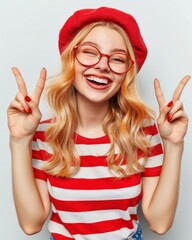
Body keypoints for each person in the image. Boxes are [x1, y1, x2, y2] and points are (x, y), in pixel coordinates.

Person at [7, 6, 190, 240]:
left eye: (117, 58)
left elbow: (160, 223)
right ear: (71, 58)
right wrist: (19, 140)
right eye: (90, 52)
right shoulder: (43, 134)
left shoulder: (143, 131)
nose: (102, 65)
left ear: (127, 72)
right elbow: (31, 224)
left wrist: (174, 144)